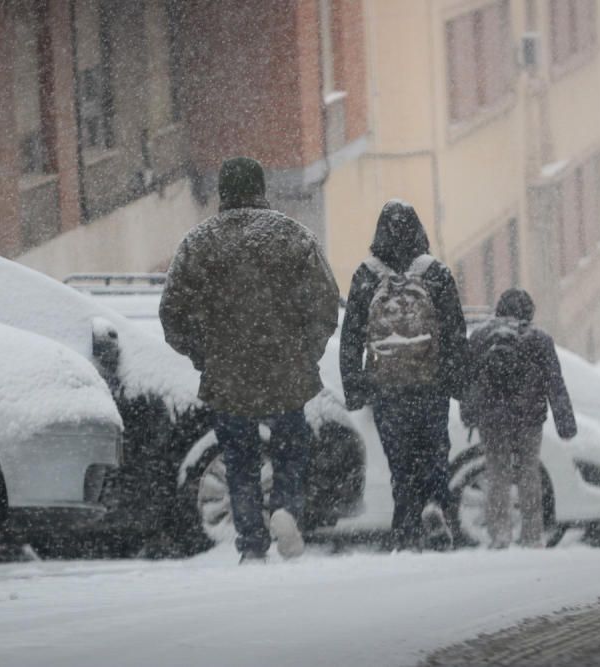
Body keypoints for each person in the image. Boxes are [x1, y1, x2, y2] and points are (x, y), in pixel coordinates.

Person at [159, 157, 339, 562]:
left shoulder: (198, 243)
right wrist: (305, 353)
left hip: (229, 374)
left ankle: (251, 545)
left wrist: (204, 355)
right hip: (286, 372)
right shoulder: (294, 237)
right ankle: (286, 508)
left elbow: (172, 313)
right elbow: (326, 304)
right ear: (262, 188)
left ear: (222, 191)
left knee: (240, 462)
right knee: (291, 449)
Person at [339, 200, 468, 551]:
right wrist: (459, 384)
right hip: (431, 386)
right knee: (434, 454)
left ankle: (405, 533)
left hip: (388, 389)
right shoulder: (436, 273)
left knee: (402, 464)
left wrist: (355, 388)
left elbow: (351, 335)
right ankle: (435, 506)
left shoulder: (366, 275)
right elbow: (456, 332)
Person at [461, 288, 577, 549]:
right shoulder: (539, 340)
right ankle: (532, 534)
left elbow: (466, 381)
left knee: (497, 473)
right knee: (529, 472)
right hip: (528, 418)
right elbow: (555, 384)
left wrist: (469, 415)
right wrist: (565, 425)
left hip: (491, 419)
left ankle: (499, 534)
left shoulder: (480, 337)